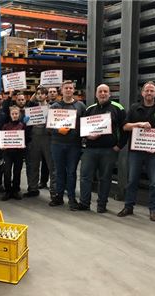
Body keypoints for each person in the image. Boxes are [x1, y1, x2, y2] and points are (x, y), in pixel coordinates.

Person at [118, 81, 155, 221]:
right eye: (146, 90)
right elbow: (125, 127)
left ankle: (153, 209)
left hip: (154, 153)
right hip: (136, 151)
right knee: (132, 180)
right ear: (142, 93)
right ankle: (128, 206)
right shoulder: (135, 108)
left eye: (152, 90)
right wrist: (138, 124)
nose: (149, 93)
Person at [78, 84, 127, 213]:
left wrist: (119, 146)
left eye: (105, 91)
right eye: (100, 91)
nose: (103, 93)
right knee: (85, 177)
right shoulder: (90, 109)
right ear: (96, 94)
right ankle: (84, 203)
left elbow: (125, 129)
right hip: (90, 150)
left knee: (105, 178)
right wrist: (88, 136)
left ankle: (102, 205)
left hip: (108, 150)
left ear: (110, 94)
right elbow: (82, 129)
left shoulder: (118, 108)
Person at [49, 80, 86, 210]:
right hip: (57, 144)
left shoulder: (80, 106)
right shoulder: (54, 106)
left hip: (74, 145)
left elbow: (86, 124)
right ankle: (59, 196)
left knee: (71, 172)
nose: (69, 90)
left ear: (74, 90)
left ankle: (71, 198)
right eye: (66, 88)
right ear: (62, 90)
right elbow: (48, 126)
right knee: (59, 171)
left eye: (71, 88)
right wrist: (57, 130)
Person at [24, 87, 58, 204]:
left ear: (46, 96)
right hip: (34, 138)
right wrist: (25, 121)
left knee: (52, 166)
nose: (40, 95)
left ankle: (54, 192)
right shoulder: (31, 108)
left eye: (42, 94)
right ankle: (33, 188)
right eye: (38, 94)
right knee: (33, 164)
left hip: (47, 138)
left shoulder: (52, 108)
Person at [0, 106, 26, 201]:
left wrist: (24, 145)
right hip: (7, 153)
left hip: (19, 153)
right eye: (13, 114)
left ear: (19, 115)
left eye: (16, 114)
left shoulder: (22, 125)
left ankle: (15, 190)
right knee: (7, 172)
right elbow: (2, 139)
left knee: (17, 172)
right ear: (10, 115)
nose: (15, 115)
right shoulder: (5, 126)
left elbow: (26, 138)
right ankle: (8, 191)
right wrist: (2, 146)